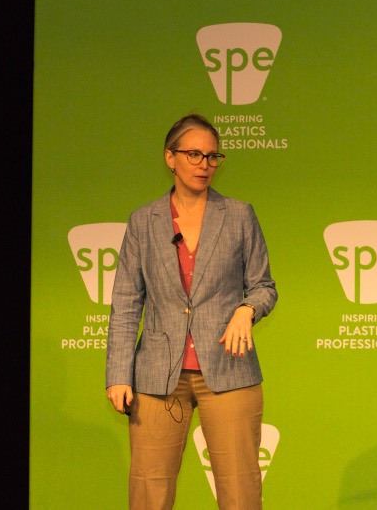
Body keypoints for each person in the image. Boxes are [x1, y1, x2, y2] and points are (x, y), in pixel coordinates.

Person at [105, 112, 278, 510]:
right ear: (170, 157)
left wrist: (247, 309)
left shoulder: (239, 215)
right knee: (149, 492)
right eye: (194, 155)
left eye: (213, 156)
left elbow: (264, 287)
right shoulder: (144, 221)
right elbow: (126, 302)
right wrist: (118, 374)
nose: (205, 165)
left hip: (229, 369)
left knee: (240, 492)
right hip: (157, 375)